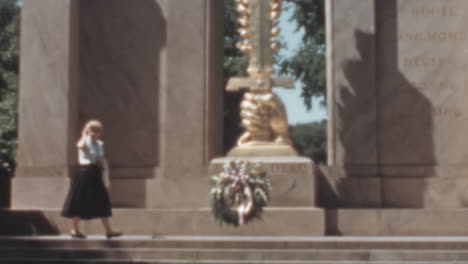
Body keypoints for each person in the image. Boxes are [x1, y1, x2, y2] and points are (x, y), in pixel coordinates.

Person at [61, 120, 122, 239]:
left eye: (97, 130)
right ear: (88, 130)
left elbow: (99, 157)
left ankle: (109, 230)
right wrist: (85, 135)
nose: (95, 132)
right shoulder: (84, 140)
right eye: (92, 129)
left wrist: (101, 163)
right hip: (84, 172)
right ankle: (75, 229)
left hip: (95, 172)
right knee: (79, 200)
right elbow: (80, 146)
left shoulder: (99, 143)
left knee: (102, 200)